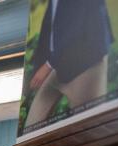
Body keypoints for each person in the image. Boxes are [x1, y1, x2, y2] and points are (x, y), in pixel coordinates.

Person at [23, 0, 112, 129]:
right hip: (59, 63)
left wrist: (47, 66)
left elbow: (73, 26)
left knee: (90, 129)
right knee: (30, 128)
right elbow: (50, 27)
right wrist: (38, 68)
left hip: (86, 62)